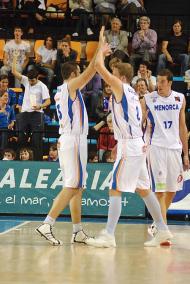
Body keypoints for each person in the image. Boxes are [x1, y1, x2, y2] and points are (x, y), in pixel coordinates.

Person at [86, 27, 172, 248]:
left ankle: (109, 235)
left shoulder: (121, 87)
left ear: (121, 77)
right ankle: (162, 230)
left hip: (131, 147)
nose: (110, 79)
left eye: (113, 74)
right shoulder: (131, 91)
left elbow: (97, 67)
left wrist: (100, 47)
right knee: (144, 189)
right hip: (134, 144)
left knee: (115, 187)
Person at [35, 41, 108, 246]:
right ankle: (47, 224)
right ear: (74, 73)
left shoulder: (62, 90)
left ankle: (77, 231)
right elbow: (91, 72)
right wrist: (99, 53)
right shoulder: (69, 87)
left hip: (71, 140)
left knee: (78, 187)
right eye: (79, 72)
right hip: (73, 140)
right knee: (71, 186)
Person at [143, 69, 189, 237]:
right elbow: (140, 122)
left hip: (174, 149)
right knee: (160, 191)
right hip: (156, 148)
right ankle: (163, 230)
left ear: (170, 82)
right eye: (158, 82)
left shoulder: (180, 98)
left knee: (172, 190)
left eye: (162, 82)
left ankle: (157, 222)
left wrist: (185, 153)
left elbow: (182, 127)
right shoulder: (148, 99)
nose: (159, 85)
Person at [12, 52, 51, 161]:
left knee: (36, 140)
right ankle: (20, 161)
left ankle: (37, 162)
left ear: (37, 77)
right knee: (21, 139)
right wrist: (15, 58)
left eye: (32, 80)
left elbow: (48, 101)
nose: (30, 82)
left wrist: (40, 106)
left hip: (37, 114)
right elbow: (14, 72)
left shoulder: (42, 86)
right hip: (24, 114)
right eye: (29, 80)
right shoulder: (26, 80)